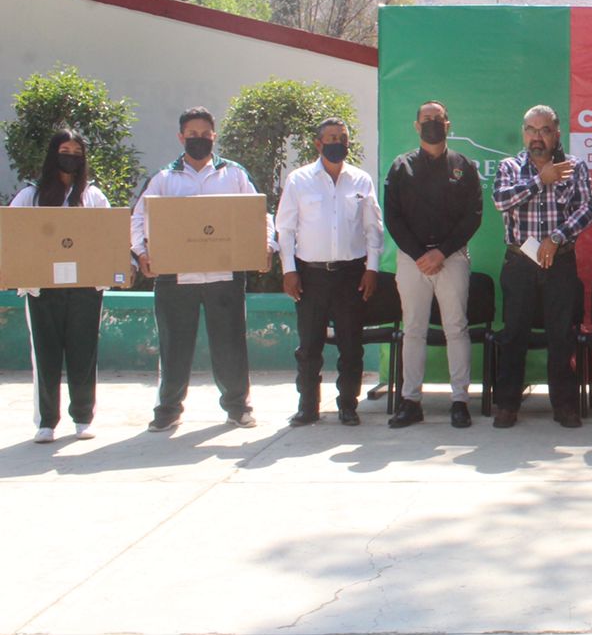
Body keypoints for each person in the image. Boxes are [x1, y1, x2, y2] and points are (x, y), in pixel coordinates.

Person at [131, 106, 274, 432]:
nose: (198, 139)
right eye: (191, 135)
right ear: (181, 137)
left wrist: (266, 245)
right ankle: (168, 409)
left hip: (225, 276)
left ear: (214, 136)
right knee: (173, 345)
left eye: (204, 134)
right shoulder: (164, 178)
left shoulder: (234, 174)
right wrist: (141, 253)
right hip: (175, 277)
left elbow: (260, 214)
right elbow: (137, 218)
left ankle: (238, 406)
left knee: (230, 344)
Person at [491, 105, 592, 429]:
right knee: (513, 335)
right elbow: (500, 201)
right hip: (520, 261)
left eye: (545, 130)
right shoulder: (509, 167)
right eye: (532, 130)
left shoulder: (574, 168)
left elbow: (588, 208)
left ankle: (564, 405)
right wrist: (540, 180)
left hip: (559, 261)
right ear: (524, 133)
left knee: (561, 336)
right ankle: (507, 405)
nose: (538, 137)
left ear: (556, 133)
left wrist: (557, 237)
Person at [276, 118, 384, 427]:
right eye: (331, 137)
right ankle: (308, 406)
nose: (338, 142)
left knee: (351, 344)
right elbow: (285, 228)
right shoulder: (299, 180)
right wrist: (289, 270)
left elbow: (372, 229)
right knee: (309, 346)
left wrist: (372, 269)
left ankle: (348, 406)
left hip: (351, 274)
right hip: (310, 276)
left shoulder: (361, 180)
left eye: (343, 137)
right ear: (319, 144)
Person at [384, 100, 483, 429]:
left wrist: (441, 252)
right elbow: (393, 217)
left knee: (456, 328)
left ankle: (460, 401)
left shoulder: (463, 166)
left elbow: (473, 216)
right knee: (413, 330)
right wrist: (419, 254)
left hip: (451, 258)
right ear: (416, 126)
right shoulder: (401, 166)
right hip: (413, 260)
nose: (432, 124)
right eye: (426, 119)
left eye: (438, 119)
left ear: (448, 124)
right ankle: (410, 400)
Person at [11, 131, 110, 443]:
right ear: (53, 154)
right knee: (45, 353)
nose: (70, 155)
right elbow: (12, 234)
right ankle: (46, 422)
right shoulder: (32, 195)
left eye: (76, 151)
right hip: (43, 288)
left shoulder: (93, 196)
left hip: (85, 287)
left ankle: (83, 417)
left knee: (84, 352)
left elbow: (109, 235)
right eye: (64, 149)